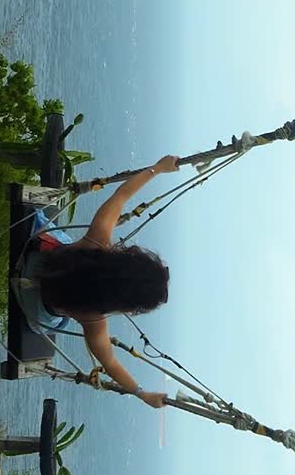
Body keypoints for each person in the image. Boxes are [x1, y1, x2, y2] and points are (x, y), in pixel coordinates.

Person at [19, 155, 180, 408]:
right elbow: (111, 363)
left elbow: (121, 196)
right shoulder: (93, 318)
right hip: (30, 302)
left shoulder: (97, 240)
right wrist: (142, 394)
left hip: (33, 264)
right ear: (129, 303)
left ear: (132, 259)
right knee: (57, 318)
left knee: (58, 242)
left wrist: (158, 169)